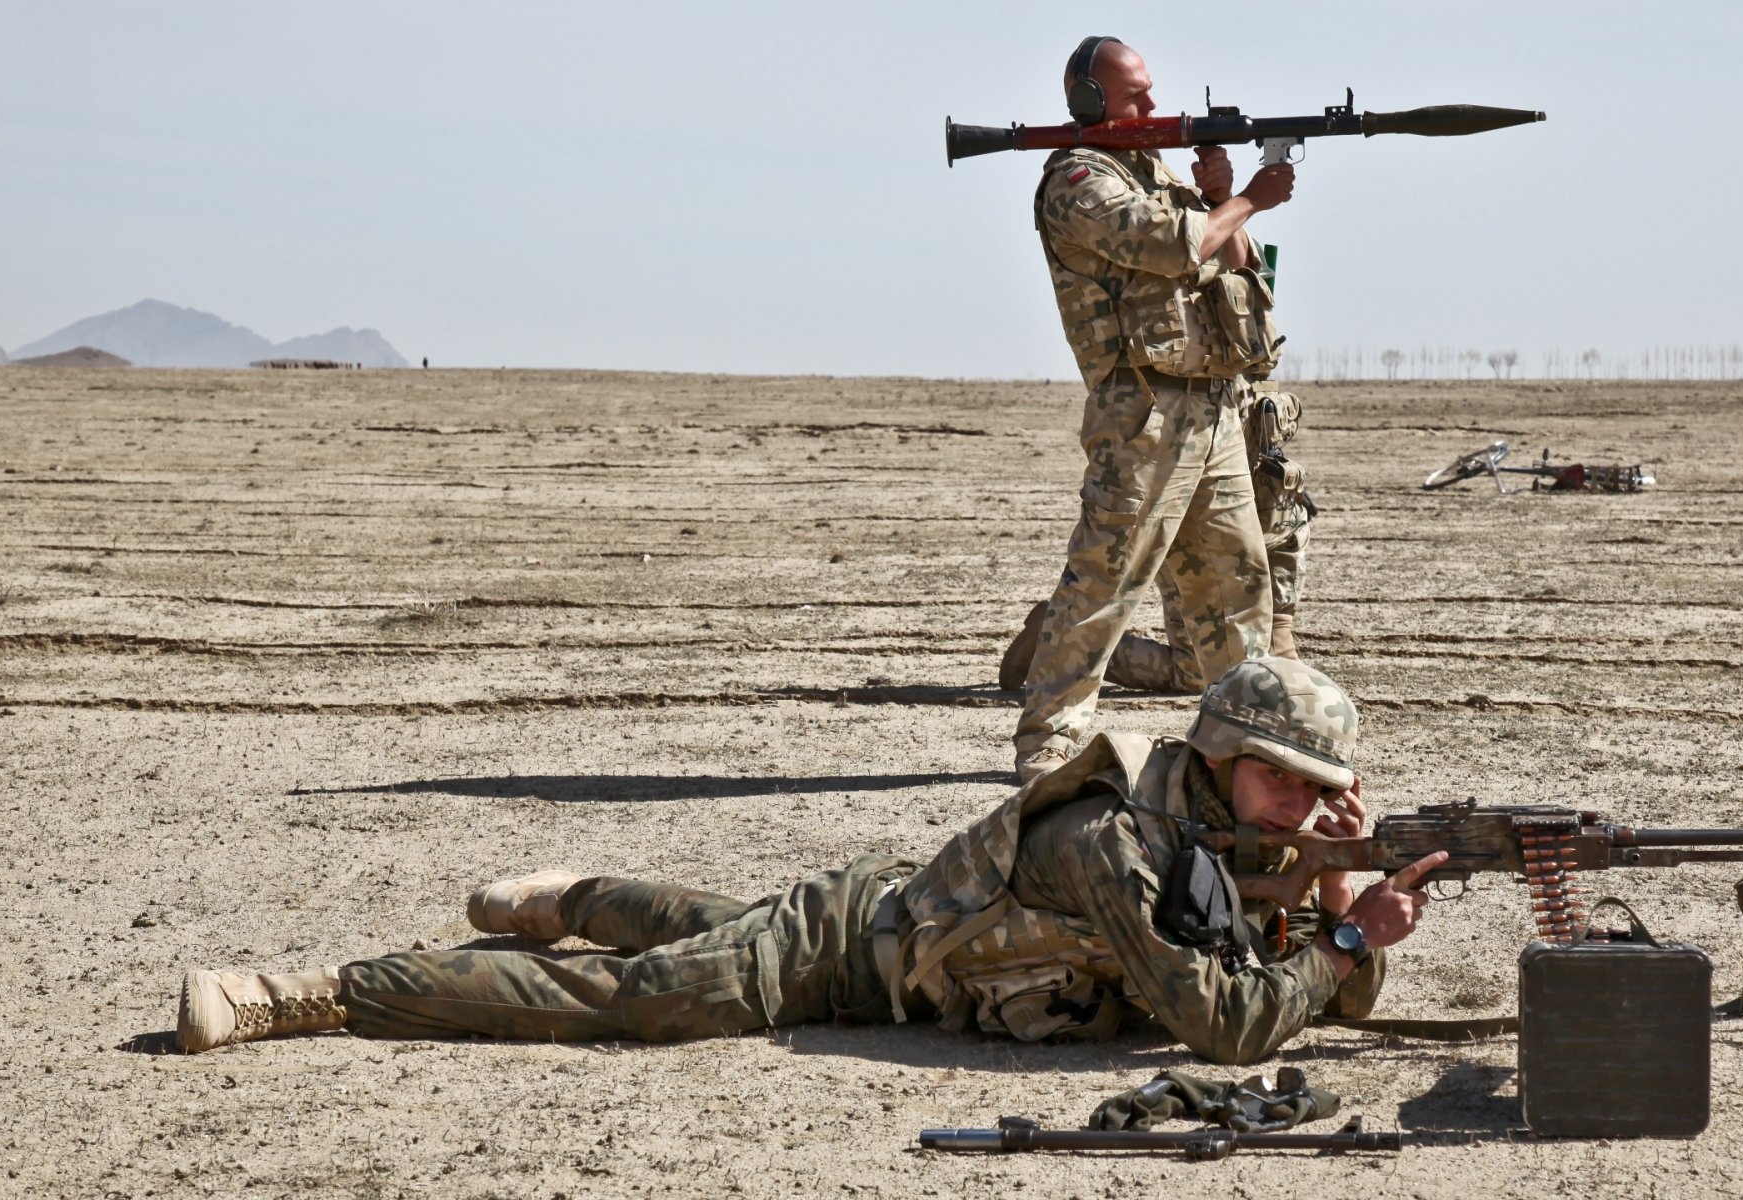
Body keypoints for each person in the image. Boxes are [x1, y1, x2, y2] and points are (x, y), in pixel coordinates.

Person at [175, 659, 1445, 1066]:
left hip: (897, 949)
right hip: (853, 950)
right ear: (1221, 755)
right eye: (1287, 780)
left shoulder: (1232, 838)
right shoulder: (1118, 839)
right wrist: (1344, 938)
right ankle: (312, 994)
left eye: (1320, 790)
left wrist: (1337, 882)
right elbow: (1226, 1028)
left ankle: (573, 896)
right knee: (642, 1000)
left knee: (701, 927)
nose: (1301, 804)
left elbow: (1325, 993)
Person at [1011, 36, 1296, 783]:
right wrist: (1246, 199)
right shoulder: (1079, 179)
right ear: (1089, 101)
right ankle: (1050, 742)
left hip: (1213, 407)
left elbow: (1233, 264)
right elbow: (1168, 246)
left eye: (1149, 91)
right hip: (1142, 414)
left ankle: (1246, 737)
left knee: (1238, 584)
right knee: (1107, 583)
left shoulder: (1153, 172)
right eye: (1134, 95)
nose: (1151, 105)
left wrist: (1223, 198)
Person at [1002, 383, 1316, 694]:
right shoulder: (1204, 397)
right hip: (1186, 516)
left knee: (1232, 667)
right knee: (1200, 671)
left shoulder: (1257, 416)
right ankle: (1060, 640)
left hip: (1240, 517)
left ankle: (1061, 639)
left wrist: (1281, 631)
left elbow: (1287, 528)